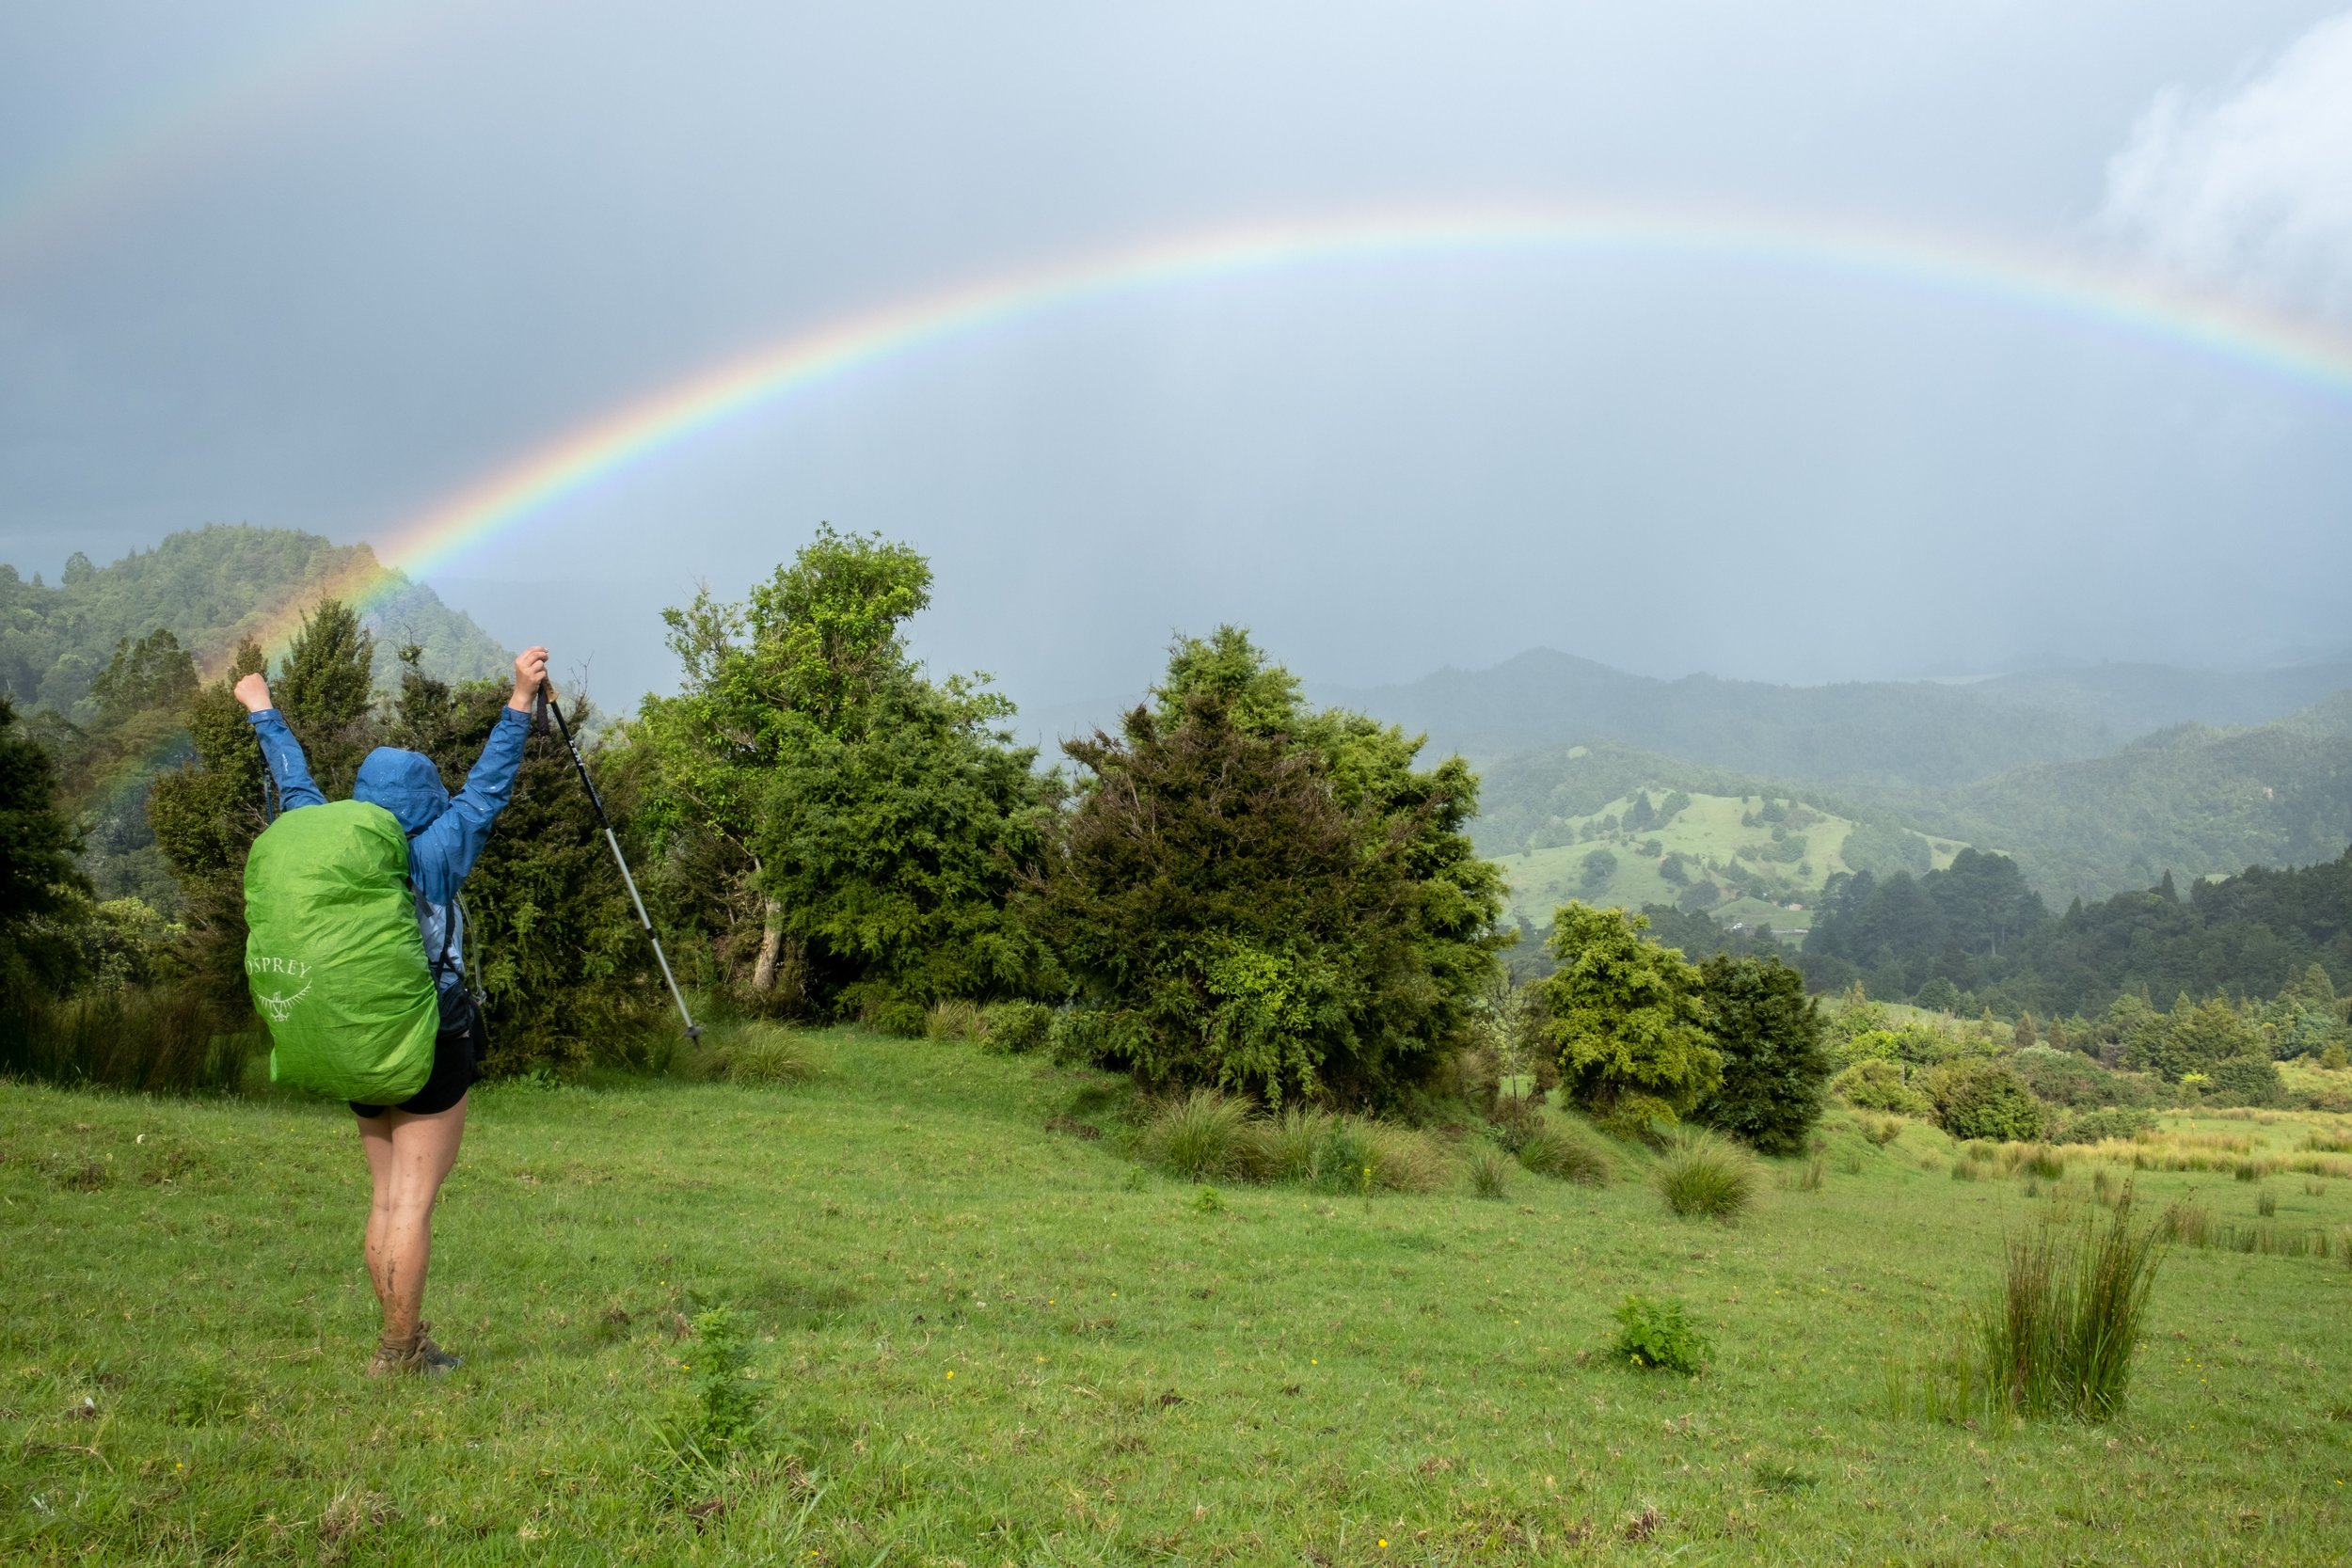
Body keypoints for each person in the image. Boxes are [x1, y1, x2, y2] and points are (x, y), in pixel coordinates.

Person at [235, 645, 548, 1376]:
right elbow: (487, 788)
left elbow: (295, 785)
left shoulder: (331, 846)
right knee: (411, 1202)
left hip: (358, 1039)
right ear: (428, 800)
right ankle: (400, 1351)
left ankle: (400, 1338)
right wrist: (520, 699)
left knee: (384, 1198)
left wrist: (262, 710)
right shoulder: (438, 849)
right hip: (431, 1039)